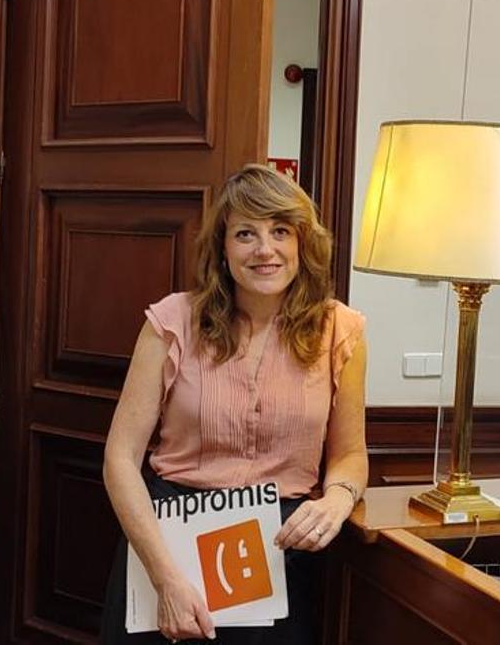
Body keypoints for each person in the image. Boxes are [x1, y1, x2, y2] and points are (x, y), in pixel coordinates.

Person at [100, 165, 367, 644]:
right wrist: (166, 578)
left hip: (280, 554)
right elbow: (120, 458)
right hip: (169, 547)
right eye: (246, 233)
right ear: (223, 250)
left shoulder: (339, 330)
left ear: (302, 243)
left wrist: (337, 499)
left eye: (280, 231)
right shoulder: (172, 321)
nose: (265, 249)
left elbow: (349, 453)